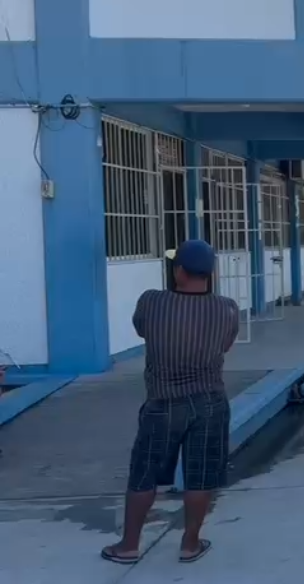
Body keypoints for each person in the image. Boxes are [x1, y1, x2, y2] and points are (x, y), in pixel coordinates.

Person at [102, 240, 240, 565]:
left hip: (163, 403)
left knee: (144, 473)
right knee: (200, 475)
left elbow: (141, 330)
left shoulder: (151, 302)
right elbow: (226, 345)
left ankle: (129, 545)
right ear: (210, 272)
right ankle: (190, 544)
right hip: (210, 402)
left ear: (178, 270)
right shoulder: (228, 308)